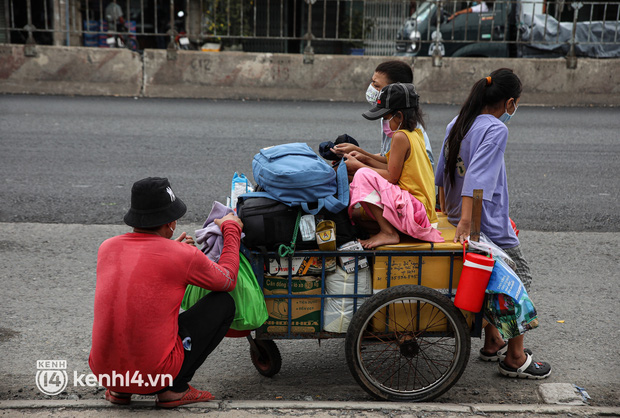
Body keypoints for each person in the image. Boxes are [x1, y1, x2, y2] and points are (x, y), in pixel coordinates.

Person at [434, 68, 551, 379]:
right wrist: (470, 225)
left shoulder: (457, 123)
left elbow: (442, 174)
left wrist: (451, 215)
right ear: (509, 102)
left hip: (462, 215)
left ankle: (492, 341)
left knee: (493, 281)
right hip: (484, 223)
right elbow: (478, 179)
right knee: (517, 284)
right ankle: (514, 356)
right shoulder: (496, 129)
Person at [89, 177, 244, 407]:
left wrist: (174, 249)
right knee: (223, 303)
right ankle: (174, 389)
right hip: (156, 373)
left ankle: (119, 391)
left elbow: (145, 270)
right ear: (170, 223)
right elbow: (228, 279)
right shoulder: (182, 255)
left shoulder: (107, 247)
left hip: (105, 372)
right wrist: (231, 229)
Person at [346, 83, 443, 249]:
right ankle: (389, 230)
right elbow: (389, 163)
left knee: (362, 175)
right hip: (424, 213)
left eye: (386, 118)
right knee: (357, 216)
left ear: (399, 116)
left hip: (415, 213)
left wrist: (358, 167)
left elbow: (392, 176)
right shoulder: (414, 134)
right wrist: (364, 157)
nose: (384, 123)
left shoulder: (400, 136)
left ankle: (388, 233)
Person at [332, 60, 435, 174]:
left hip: (409, 182)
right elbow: (388, 159)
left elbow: (393, 174)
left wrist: (359, 166)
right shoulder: (391, 117)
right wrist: (358, 154)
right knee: (343, 170)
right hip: (399, 176)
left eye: (376, 85)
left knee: (345, 174)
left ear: (394, 90)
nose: (371, 88)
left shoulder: (401, 128)